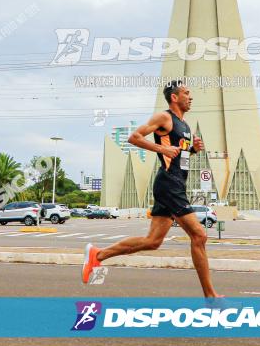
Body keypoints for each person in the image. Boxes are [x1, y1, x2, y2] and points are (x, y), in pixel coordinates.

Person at [81, 80, 221, 298]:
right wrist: (161, 148)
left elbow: (178, 155)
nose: (190, 97)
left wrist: (192, 150)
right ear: (174, 97)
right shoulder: (164, 117)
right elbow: (134, 137)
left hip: (174, 183)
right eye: (186, 93)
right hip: (169, 184)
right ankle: (211, 297)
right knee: (199, 235)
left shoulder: (184, 126)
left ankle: (97, 255)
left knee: (153, 242)